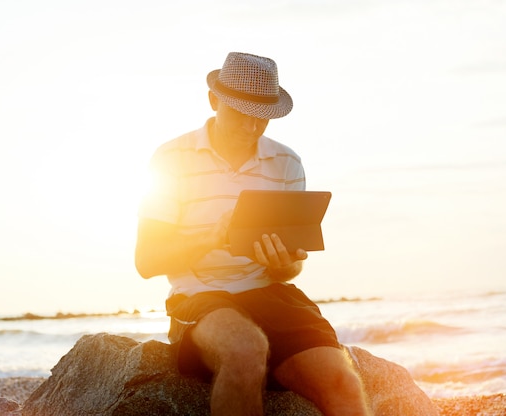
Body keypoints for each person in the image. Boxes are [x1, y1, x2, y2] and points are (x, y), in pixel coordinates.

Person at [135, 52, 372, 416]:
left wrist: (281, 264)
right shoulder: (171, 159)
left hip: (271, 294)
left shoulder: (286, 163)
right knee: (245, 352)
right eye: (241, 113)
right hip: (198, 294)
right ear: (214, 101)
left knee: (341, 379)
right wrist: (212, 239)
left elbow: (290, 269)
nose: (251, 126)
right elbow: (147, 261)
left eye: (262, 117)